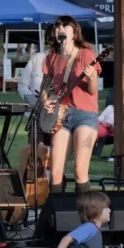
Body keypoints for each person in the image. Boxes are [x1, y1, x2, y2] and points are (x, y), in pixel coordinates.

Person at [42, 16, 101, 194]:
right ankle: (56, 216)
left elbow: (93, 91)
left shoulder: (86, 54)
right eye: (57, 26)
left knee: (79, 171)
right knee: (56, 173)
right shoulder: (52, 57)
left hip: (84, 114)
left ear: (74, 31)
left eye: (64, 25)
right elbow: (45, 85)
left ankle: (85, 214)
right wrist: (46, 100)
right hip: (61, 115)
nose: (60, 28)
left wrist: (91, 77)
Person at [19, 26, 54, 107]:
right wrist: (35, 102)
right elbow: (22, 86)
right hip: (36, 111)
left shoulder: (70, 60)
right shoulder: (37, 58)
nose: (56, 42)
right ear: (48, 39)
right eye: (52, 38)